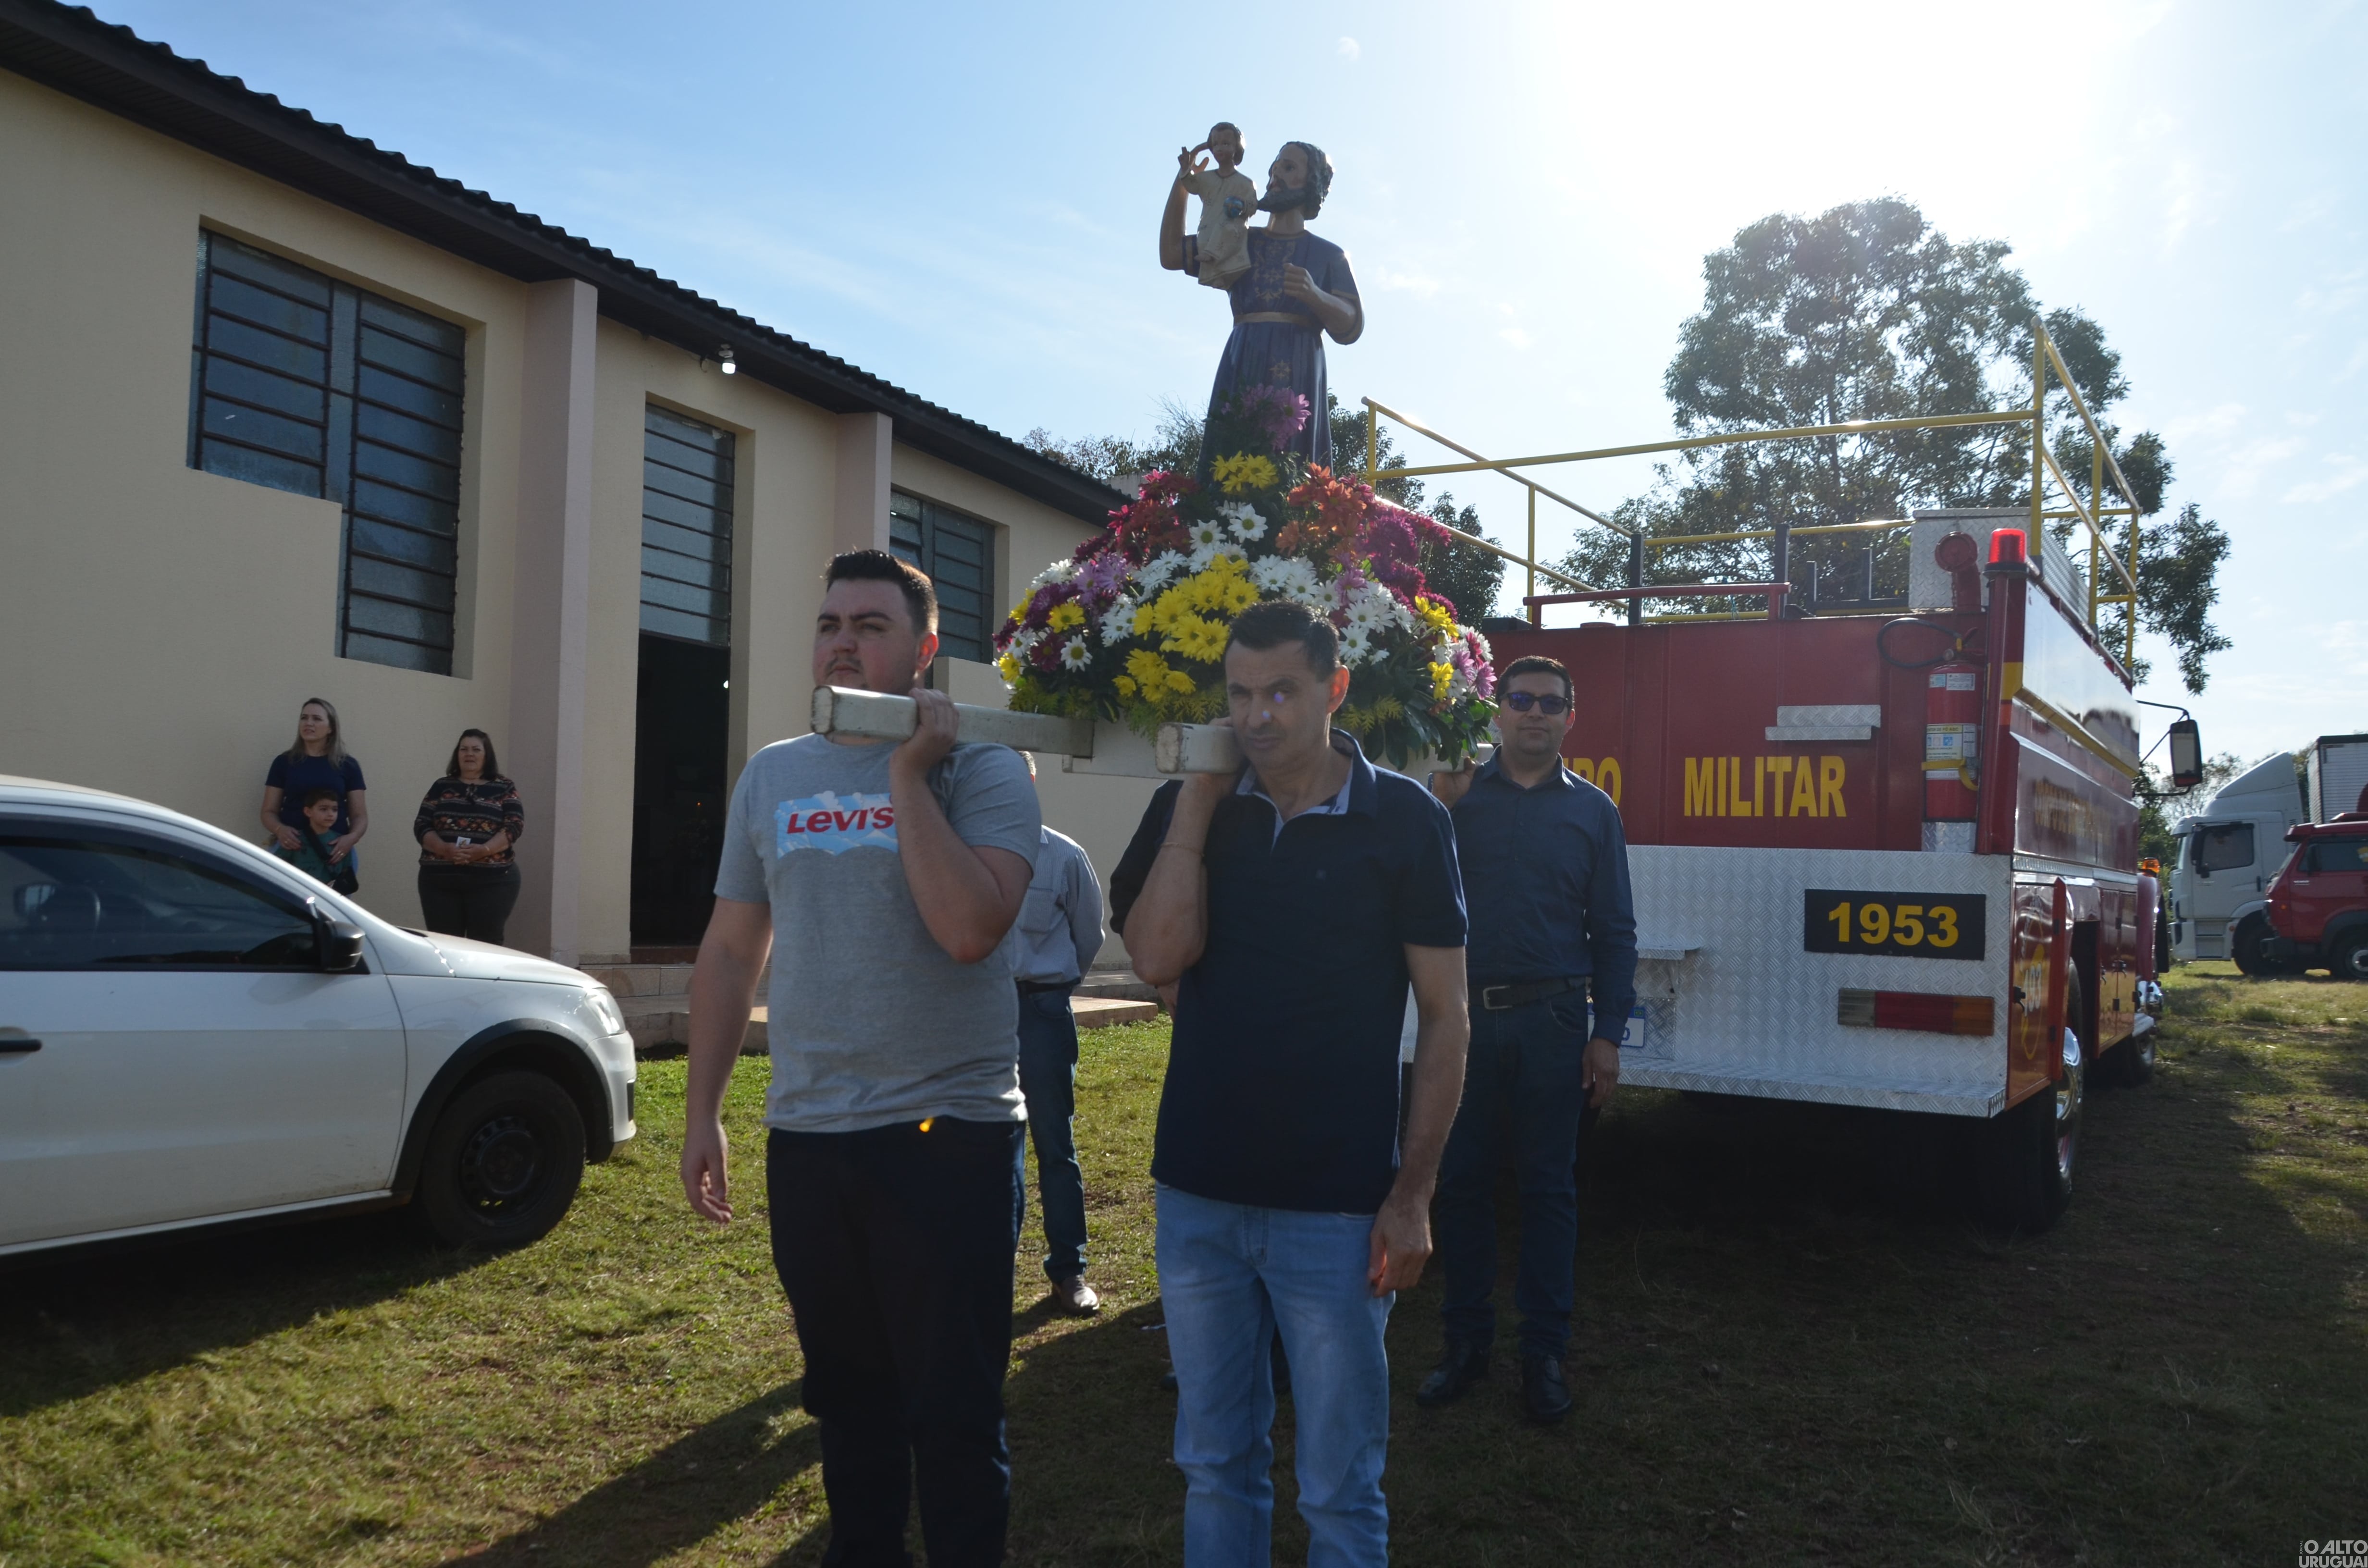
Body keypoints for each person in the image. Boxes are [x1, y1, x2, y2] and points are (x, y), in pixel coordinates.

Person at [680, 549, 1039, 1568]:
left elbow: (970, 928)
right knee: (846, 1398)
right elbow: (729, 948)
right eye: (831, 621)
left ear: (925, 652)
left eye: (871, 625)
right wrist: (703, 1109)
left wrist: (905, 774)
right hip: (810, 1135)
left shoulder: (988, 766)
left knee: (954, 1410)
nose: (843, 639)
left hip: (948, 1137)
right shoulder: (774, 773)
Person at [1110, 599, 1468, 1567]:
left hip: (1338, 1208)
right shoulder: (1191, 808)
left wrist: (1413, 1194)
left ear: (1334, 689)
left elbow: (1445, 1018)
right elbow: (1154, 959)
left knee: (1340, 1489)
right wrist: (1196, 800)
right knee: (1215, 1461)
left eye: (1282, 692)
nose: (1258, 716)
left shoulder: (1405, 819)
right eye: (1239, 694)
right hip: (1199, 1195)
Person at [1420, 655, 1638, 1426]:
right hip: (1463, 1023)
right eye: (1520, 699)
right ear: (1499, 711)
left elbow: (1614, 931)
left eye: (1551, 702)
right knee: (1463, 1185)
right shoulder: (1451, 799)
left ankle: (1543, 1354)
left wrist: (1607, 1034)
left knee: (1549, 1192)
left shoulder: (1595, 813)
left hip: (1552, 1024)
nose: (1535, 713)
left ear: (1571, 718)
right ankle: (1465, 1346)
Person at [1159, 139, 1362, 469]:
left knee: (1293, 469)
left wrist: (1315, 295)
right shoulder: (1238, 239)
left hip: (1300, 367)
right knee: (1230, 460)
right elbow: (1171, 254)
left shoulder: (1329, 256)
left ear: (1311, 185)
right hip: (1243, 359)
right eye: (1275, 166)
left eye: (1289, 167)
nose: (1275, 175)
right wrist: (1183, 184)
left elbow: (1351, 325)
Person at [1007, 751, 1108, 1317]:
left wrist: (1050, 990)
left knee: (1054, 1144)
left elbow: (1086, 936)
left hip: (1042, 1013)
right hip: (982, 1016)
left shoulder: (1064, 856)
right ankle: (988, 1270)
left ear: (1030, 782)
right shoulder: (968, 852)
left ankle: (1067, 1271)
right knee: (984, 1147)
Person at [412, 728, 526, 945]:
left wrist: (483, 851)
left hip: (493, 882)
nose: (469, 754)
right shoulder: (441, 786)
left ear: (487, 755)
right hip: (440, 882)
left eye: (476, 749)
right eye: (464, 749)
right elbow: (422, 824)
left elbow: (515, 825)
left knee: (485, 947)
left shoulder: (504, 787)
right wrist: (445, 850)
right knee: (445, 947)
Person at [260, 698, 366, 883]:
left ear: (331, 728)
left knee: (331, 911)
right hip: (290, 852)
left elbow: (360, 816)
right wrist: (280, 830)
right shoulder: (284, 763)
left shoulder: (348, 766)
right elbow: (268, 811)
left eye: (317, 719)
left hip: (334, 855)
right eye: (304, 718)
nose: (309, 723)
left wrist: (351, 839)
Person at [1179, 121, 1258, 292]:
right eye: (1215, 145)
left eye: (1226, 144)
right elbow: (1191, 185)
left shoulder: (1245, 183)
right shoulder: (1206, 179)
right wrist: (1186, 167)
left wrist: (1242, 206)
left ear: (1237, 147)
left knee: (1227, 228)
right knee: (1207, 240)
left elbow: (1253, 206)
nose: (1220, 148)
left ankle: (1215, 260)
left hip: (1233, 233)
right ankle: (1212, 267)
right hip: (1208, 230)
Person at [271, 787, 344, 885]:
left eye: (334, 810)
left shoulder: (341, 843)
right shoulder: (295, 839)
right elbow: (277, 869)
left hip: (329, 895)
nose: (330, 814)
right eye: (324, 809)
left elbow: (346, 873)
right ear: (308, 812)